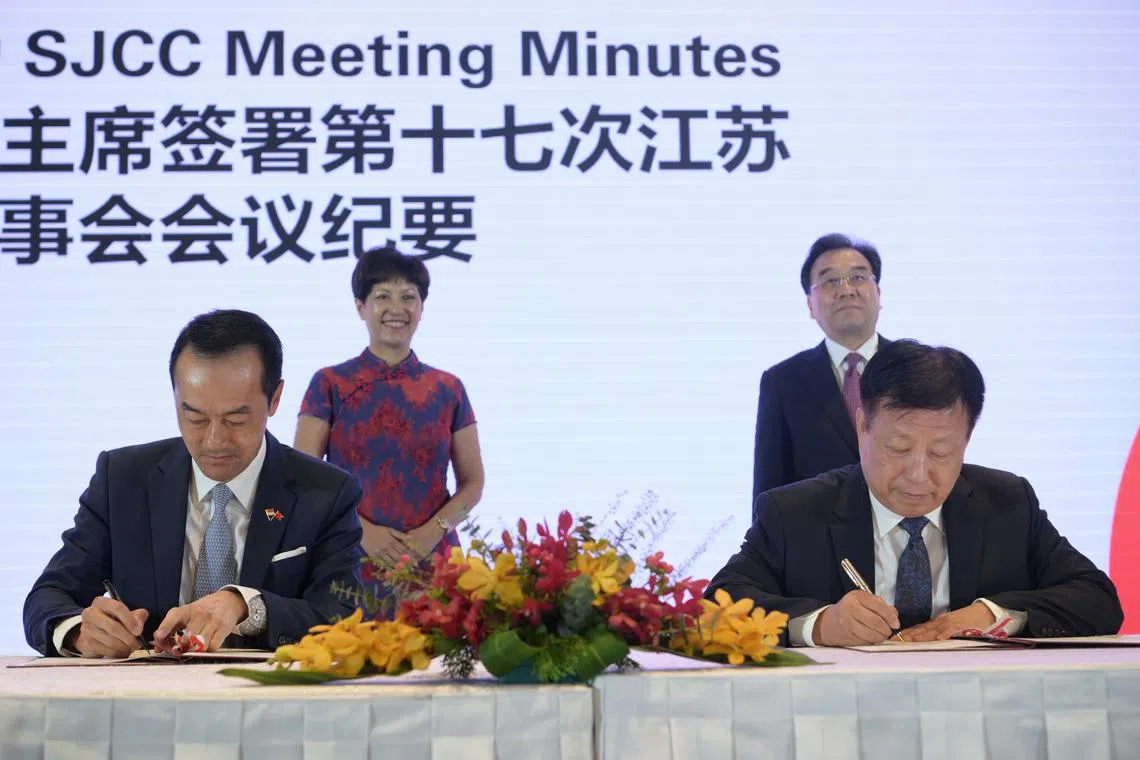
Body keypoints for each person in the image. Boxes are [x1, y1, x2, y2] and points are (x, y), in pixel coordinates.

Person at [713, 339, 1123, 646]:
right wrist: (819, 625)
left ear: (968, 438)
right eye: (898, 448)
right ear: (862, 428)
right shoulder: (795, 512)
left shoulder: (1008, 503)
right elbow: (715, 609)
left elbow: (1097, 599)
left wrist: (995, 614)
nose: (918, 474)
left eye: (942, 451)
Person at [23, 310, 365, 658]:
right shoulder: (123, 479)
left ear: (275, 399)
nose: (214, 441)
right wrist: (79, 631)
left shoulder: (326, 492)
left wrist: (248, 607)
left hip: (270, 704)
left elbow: (344, 615)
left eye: (236, 418)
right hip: (144, 702)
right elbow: (48, 596)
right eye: (195, 417)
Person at [294, 245, 484, 572]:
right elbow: (305, 479)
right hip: (349, 556)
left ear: (422, 307)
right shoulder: (329, 383)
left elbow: (473, 481)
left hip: (432, 561)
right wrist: (363, 531)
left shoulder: (448, 388)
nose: (397, 308)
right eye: (383, 296)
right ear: (360, 307)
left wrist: (432, 532)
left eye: (408, 296)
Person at [752, 233, 890, 511]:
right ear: (810, 305)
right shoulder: (782, 382)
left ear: (879, 294)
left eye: (859, 277)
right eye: (830, 281)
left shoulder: (917, 367)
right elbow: (769, 492)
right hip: (818, 546)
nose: (846, 289)